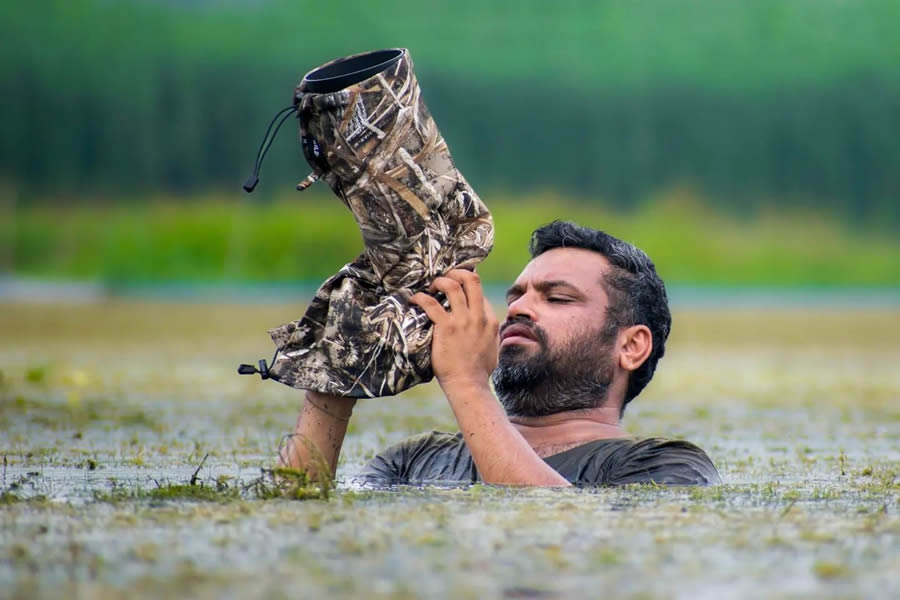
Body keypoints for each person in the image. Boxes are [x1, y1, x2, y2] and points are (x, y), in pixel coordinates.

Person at [280, 221, 720, 486]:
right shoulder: (413, 459)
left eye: (557, 298)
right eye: (517, 295)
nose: (519, 308)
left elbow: (548, 526)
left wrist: (468, 383)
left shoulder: (668, 465)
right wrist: (333, 385)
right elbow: (291, 527)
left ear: (631, 346)